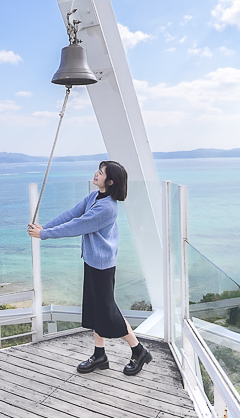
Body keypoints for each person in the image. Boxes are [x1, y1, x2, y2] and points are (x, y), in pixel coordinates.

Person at [27, 160, 152, 376]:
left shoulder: (107, 208)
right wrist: (45, 227)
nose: (96, 174)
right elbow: (72, 213)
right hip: (92, 261)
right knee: (96, 310)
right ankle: (99, 355)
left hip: (102, 266)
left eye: (101, 172)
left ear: (110, 181)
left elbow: (77, 225)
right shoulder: (95, 197)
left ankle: (139, 350)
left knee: (108, 313)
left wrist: (45, 235)